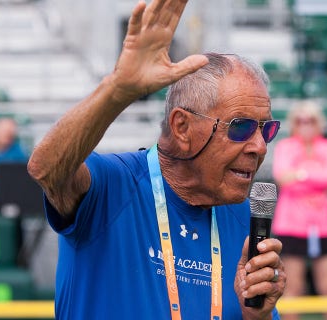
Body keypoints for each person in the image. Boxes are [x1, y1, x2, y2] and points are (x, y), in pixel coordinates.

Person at [27, 1, 285, 319]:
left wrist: (255, 317)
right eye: (241, 127)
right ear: (182, 127)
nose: (259, 146)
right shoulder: (114, 186)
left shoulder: (245, 219)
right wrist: (118, 90)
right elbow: (46, 167)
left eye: (267, 129)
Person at [271, 101, 327, 320]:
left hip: (322, 225)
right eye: (300, 121)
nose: (305, 125)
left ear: (319, 123)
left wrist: (301, 174)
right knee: (293, 288)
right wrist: (314, 176)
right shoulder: (286, 147)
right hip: (292, 224)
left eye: (310, 120)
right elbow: (282, 178)